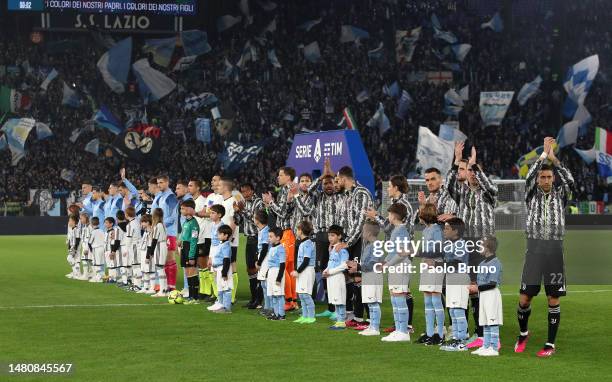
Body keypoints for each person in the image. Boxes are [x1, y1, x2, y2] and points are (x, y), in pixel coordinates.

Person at [515, 137, 574, 357]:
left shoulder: (561, 196)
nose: (546, 180)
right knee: (524, 298)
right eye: (543, 177)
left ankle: (550, 343)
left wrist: (554, 159)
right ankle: (523, 333)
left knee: (553, 298)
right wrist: (542, 156)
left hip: (555, 253)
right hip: (534, 252)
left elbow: (572, 182)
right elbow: (528, 178)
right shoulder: (531, 196)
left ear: (554, 178)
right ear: (539, 179)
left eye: (549, 177)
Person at [447, 143, 498, 349]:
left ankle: (488, 333)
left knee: (485, 289)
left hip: (485, 247)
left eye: (475, 171)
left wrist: (475, 166)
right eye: (468, 171)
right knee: (471, 290)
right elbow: (450, 185)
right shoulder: (462, 194)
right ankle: (477, 332)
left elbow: (490, 186)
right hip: (468, 246)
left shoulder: (489, 194)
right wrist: (456, 160)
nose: (472, 175)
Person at [366, 175, 415, 333]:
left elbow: (396, 228)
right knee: (398, 290)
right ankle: (400, 324)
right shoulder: (395, 203)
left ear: (396, 188)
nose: (387, 189)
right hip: (395, 252)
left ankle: (406, 325)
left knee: (403, 291)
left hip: (403, 253)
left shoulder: (404, 204)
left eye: (389, 186)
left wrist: (376, 217)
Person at [335, 165, 373, 326]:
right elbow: (347, 221)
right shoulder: (348, 194)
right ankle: (358, 317)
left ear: (344, 178)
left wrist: (347, 243)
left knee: (360, 276)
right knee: (353, 276)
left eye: (338, 179)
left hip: (363, 240)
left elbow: (360, 222)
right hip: (352, 240)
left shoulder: (361, 193)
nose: (337, 182)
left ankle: (370, 318)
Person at [299, 171, 338, 319]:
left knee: (335, 271)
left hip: (334, 236)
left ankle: (338, 308)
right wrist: (321, 177)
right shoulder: (317, 196)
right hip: (321, 236)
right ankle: (330, 307)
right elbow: (307, 190)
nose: (328, 186)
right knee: (324, 272)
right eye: (325, 183)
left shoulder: (340, 196)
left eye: (330, 183)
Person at [262, 166, 297, 311]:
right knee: (289, 269)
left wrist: (271, 202)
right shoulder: (285, 190)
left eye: (281, 175)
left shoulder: (289, 190)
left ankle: (289, 301)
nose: (278, 177)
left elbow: (282, 213)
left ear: (288, 177)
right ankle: (292, 301)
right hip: (285, 232)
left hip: (287, 233)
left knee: (286, 268)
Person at [381, 203, 412, 343]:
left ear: (394, 216)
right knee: (394, 298)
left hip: (400, 266)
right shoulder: (397, 230)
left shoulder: (401, 231)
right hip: (395, 266)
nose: (388, 217)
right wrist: (386, 261)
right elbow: (394, 252)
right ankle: (398, 329)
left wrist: (388, 263)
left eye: (389, 214)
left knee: (399, 298)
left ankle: (403, 331)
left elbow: (401, 254)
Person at [416, 203, 445, 345]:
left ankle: (440, 334)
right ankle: (429, 333)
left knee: (435, 300)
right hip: (426, 266)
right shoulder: (426, 230)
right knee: (427, 300)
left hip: (435, 265)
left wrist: (426, 255)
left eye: (420, 212)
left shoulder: (436, 229)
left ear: (425, 215)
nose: (418, 215)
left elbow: (440, 249)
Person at [440, 218, 470, 352]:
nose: (444, 231)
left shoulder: (460, 244)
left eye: (447, 228)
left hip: (460, 278)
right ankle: (456, 338)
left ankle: (462, 340)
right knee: (452, 309)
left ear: (455, 231)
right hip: (452, 278)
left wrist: (437, 265)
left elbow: (456, 262)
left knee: (458, 309)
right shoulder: (450, 243)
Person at [349, 221, 382, 336]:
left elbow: (373, 263)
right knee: (369, 302)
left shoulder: (376, 245)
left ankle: (375, 328)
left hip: (373, 277)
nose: (362, 233)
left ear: (368, 233)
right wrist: (356, 268)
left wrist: (357, 266)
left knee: (373, 302)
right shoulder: (369, 245)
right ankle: (372, 326)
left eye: (363, 230)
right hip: (367, 276)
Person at [234, 182, 264, 308]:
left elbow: (257, 220)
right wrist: (236, 212)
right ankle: (253, 299)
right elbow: (238, 222)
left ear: (252, 190)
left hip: (258, 238)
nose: (244, 194)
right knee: (250, 269)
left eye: (246, 191)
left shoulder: (259, 202)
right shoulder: (243, 204)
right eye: (242, 191)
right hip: (249, 240)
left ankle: (259, 299)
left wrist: (243, 210)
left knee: (259, 269)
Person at [472, 236, 503, 357]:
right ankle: (486, 346)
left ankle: (494, 348)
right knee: (485, 321)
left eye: (482, 245)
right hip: (483, 295)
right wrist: (475, 285)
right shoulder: (482, 263)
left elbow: (492, 284)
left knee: (492, 320)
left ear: (488, 248)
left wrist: (477, 288)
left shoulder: (495, 263)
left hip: (491, 295)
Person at [195, 175, 224, 302]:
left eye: (215, 180)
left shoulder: (223, 197)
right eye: (211, 180)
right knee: (205, 263)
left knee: (217, 265)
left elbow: (208, 213)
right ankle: (208, 291)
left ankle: (218, 293)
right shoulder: (211, 197)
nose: (212, 182)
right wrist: (200, 213)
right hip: (208, 233)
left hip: (219, 234)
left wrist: (204, 214)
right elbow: (203, 211)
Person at [323, 224, 350, 330]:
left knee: (340, 301)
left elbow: (344, 265)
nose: (330, 238)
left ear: (339, 236)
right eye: (329, 235)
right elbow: (331, 263)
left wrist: (331, 272)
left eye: (333, 235)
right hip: (331, 277)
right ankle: (338, 321)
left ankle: (341, 322)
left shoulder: (342, 250)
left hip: (338, 277)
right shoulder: (333, 249)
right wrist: (326, 271)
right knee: (335, 301)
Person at [219, 178, 241, 303]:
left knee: (231, 265)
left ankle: (232, 296)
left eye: (220, 185)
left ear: (226, 188)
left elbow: (234, 221)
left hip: (230, 240)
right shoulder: (224, 201)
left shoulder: (232, 201)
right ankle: (226, 293)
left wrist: (228, 236)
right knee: (226, 265)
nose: (218, 186)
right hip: (224, 239)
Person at [156, 175, 179, 293]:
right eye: (158, 183)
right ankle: (165, 286)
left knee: (170, 259)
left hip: (169, 232)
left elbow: (174, 217)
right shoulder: (161, 196)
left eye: (161, 182)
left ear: (167, 182)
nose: (159, 185)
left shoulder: (170, 197)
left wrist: (161, 224)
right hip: (162, 232)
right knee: (163, 260)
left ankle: (172, 286)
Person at [291, 220, 316, 324]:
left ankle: (311, 316)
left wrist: (297, 271)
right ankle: (304, 316)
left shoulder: (307, 244)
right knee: (301, 295)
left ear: (300, 231)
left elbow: (306, 261)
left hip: (307, 271)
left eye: (297, 229)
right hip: (302, 271)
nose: (296, 231)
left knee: (305, 294)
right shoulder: (303, 243)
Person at [178, 199, 200, 304]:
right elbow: (184, 233)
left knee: (192, 273)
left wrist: (191, 256)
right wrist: (180, 240)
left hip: (190, 249)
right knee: (187, 273)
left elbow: (194, 240)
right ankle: (190, 296)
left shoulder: (194, 223)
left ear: (190, 209)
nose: (181, 210)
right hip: (184, 248)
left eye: (183, 208)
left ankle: (195, 297)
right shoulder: (186, 221)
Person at [206, 204, 226, 311]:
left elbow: (221, 244)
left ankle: (222, 302)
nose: (211, 214)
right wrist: (210, 257)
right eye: (211, 212)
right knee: (215, 277)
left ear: (219, 215)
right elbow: (212, 243)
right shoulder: (213, 225)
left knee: (219, 278)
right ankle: (218, 299)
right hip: (213, 252)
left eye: (213, 213)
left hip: (219, 254)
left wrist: (216, 257)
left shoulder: (222, 227)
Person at [211, 225, 234, 314]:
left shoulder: (226, 246)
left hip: (223, 269)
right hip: (219, 269)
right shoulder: (221, 244)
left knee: (226, 288)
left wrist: (224, 273)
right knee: (220, 289)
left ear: (226, 235)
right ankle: (220, 305)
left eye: (220, 234)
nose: (218, 235)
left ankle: (227, 308)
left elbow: (226, 260)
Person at [176, 179, 193, 295]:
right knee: (184, 263)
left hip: (187, 237)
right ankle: (187, 287)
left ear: (186, 189)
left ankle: (190, 288)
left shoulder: (189, 201)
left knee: (188, 263)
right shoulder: (183, 201)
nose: (176, 190)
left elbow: (188, 222)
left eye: (178, 188)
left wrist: (182, 237)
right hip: (183, 235)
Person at [266, 227, 287, 321]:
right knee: (273, 294)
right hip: (271, 272)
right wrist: (267, 273)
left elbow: (282, 265)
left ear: (278, 238)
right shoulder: (271, 248)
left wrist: (279, 278)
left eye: (271, 236)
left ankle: (281, 314)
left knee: (279, 294)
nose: (269, 238)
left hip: (277, 272)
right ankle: (275, 313)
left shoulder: (280, 249)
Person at [148, 208, 169, 297]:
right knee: (161, 268)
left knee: (159, 268)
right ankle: (164, 289)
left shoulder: (158, 225)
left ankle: (162, 290)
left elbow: (154, 239)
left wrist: (151, 252)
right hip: (162, 245)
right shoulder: (162, 225)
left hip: (160, 246)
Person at [254, 210, 271, 315]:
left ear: (258, 220)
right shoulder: (261, 230)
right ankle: (267, 306)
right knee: (263, 283)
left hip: (266, 257)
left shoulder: (265, 231)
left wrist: (259, 262)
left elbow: (265, 248)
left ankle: (269, 307)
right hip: (262, 257)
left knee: (266, 283)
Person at [125, 206, 142, 290]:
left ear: (127, 214)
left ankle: (137, 285)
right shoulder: (136, 222)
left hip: (134, 246)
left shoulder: (130, 224)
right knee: (136, 265)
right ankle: (136, 284)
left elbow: (129, 238)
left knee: (136, 266)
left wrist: (126, 249)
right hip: (138, 244)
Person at [138, 215, 156, 294]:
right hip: (143, 252)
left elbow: (150, 245)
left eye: (143, 222)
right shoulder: (145, 231)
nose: (141, 224)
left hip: (148, 253)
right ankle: (145, 287)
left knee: (150, 270)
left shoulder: (151, 231)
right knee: (144, 271)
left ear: (148, 223)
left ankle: (152, 288)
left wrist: (148, 256)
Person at [87, 217, 106, 283]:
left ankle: (98, 277)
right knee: (102, 263)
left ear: (91, 224)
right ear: (99, 223)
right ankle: (103, 276)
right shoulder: (102, 231)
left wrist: (91, 250)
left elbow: (89, 242)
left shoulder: (93, 232)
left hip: (96, 248)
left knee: (96, 263)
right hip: (103, 248)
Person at [103, 217, 121, 283]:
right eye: (105, 223)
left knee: (112, 264)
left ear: (111, 224)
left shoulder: (113, 232)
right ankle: (111, 278)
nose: (105, 224)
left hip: (110, 250)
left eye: (107, 223)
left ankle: (114, 278)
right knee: (109, 265)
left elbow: (113, 242)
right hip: (106, 250)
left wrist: (112, 251)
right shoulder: (106, 232)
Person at [66, 214, 80, 279]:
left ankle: (76, 273)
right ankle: (76, 273)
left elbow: (77, 239)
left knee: (69, 258)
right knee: (75, 260)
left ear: (74, 221)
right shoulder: (72, 229)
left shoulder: (76, 229)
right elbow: (70, 239)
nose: (69, 222)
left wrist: (75, 248)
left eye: (70, 220)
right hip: (72, 246)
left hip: (75, 247)